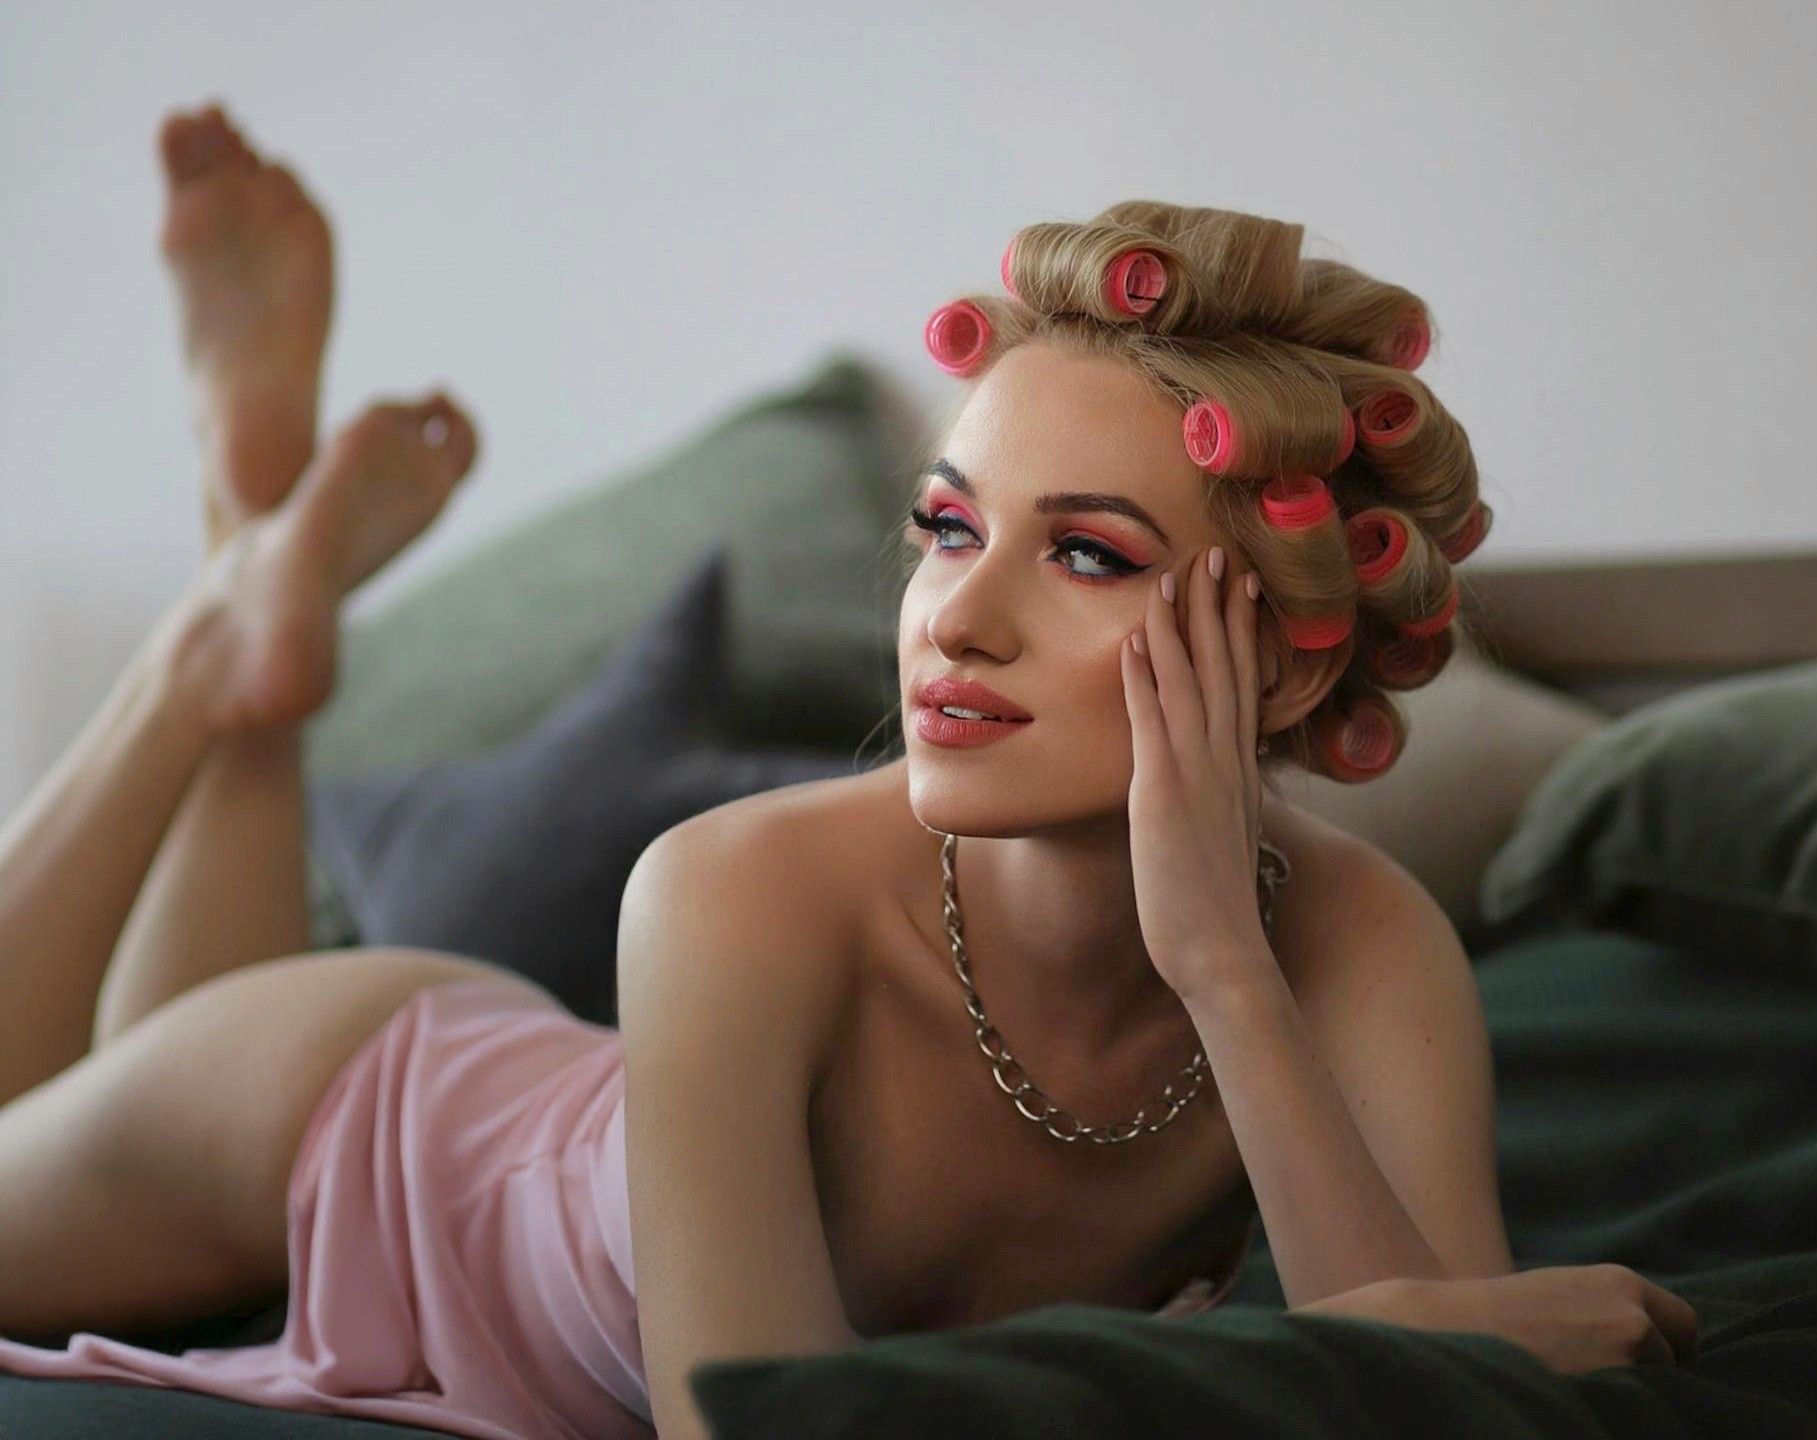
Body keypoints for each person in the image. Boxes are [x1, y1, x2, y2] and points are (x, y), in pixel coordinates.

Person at [0, 103, 1696, 1440]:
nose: (956, 617)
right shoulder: (727, 889)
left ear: (1290, 652)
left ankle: (253, 612)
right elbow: (752, 1423)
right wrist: (1392, 1330)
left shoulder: (1367, 945)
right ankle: (204, 655)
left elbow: (1454, 1398)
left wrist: (1224, 971)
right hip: (357, 1119)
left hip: (467, 1105)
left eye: (1087, 555)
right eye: (947, 529)